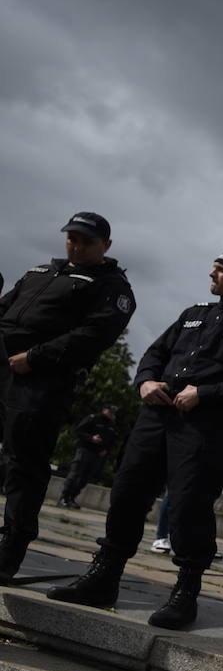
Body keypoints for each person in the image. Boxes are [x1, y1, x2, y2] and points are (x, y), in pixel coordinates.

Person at [48, 250, 223, 630]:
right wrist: (145, 381)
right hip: (156, 416)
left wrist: (204, 393)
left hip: (204, 426)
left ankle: (185, 592)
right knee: (126, 492)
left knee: (189, 504)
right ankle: (104, 578)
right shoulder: (193, 313)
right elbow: (154, 354)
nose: (211, 272)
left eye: (220, 269)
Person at [0, 212, 136, 580]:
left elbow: (94, 334)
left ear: (106, 245)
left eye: (87, 241)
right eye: (72, 238)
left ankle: (11, 545)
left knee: (23, 462)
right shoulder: (41, 271)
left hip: (40, 379)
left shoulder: (111, 286)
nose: (76, 246)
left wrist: (35, 357)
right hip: (3, 363)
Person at [58, 404, 120, 508]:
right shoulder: (93, 418)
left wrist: (106, 450)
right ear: (104, 410)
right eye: (110, 411)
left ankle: (72, 498)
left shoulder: (112, 425)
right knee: (75, 474)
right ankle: (63, 498)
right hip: (84, 451)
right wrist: (91, 438)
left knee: (85, 478)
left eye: (113, 412)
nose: (111, 414)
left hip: (97, 455)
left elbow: (113, 441)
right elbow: (79, 431)